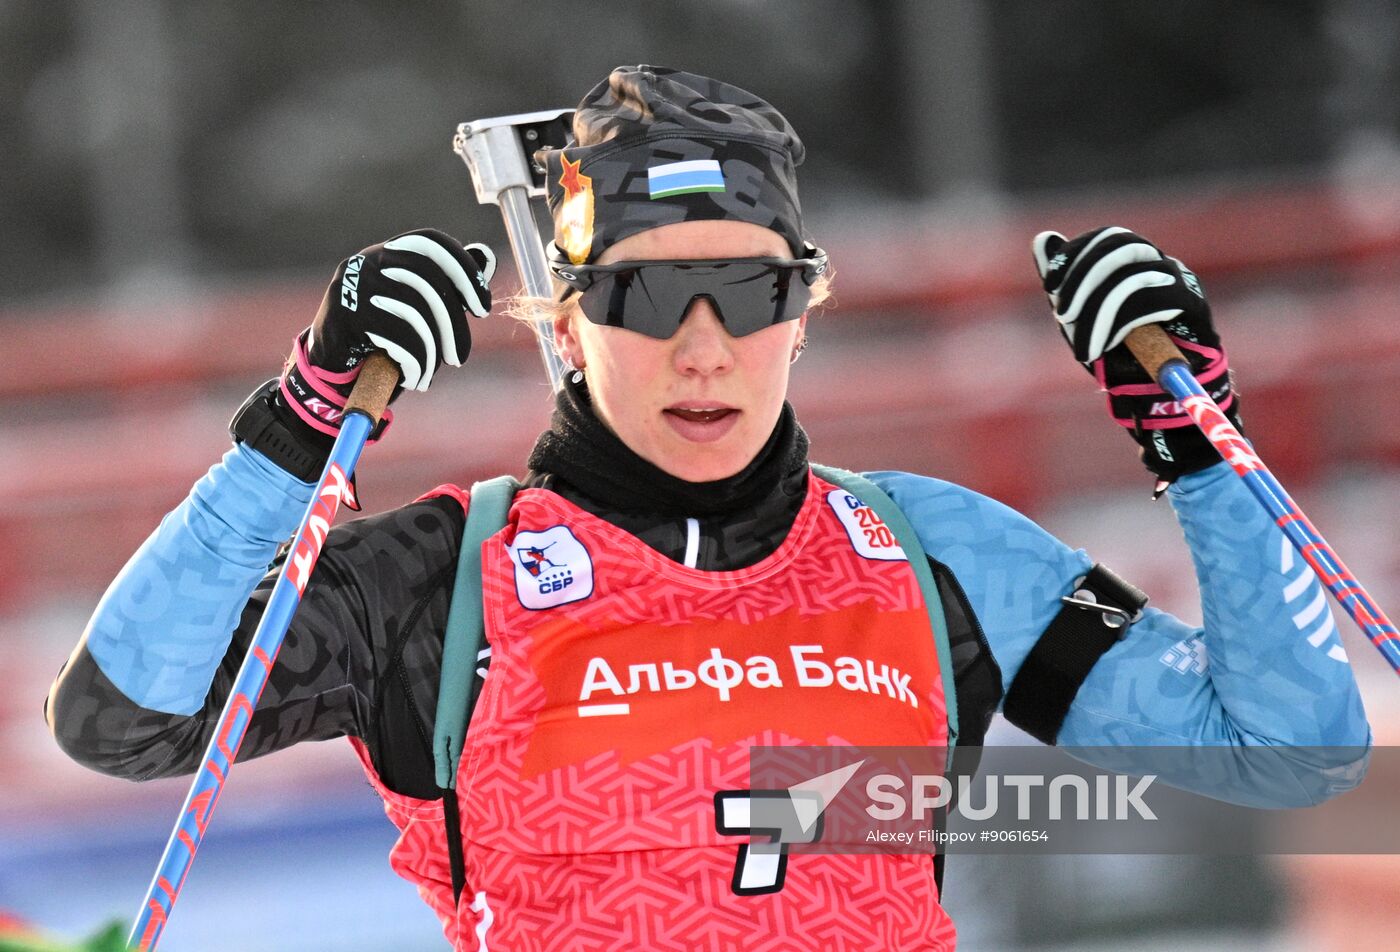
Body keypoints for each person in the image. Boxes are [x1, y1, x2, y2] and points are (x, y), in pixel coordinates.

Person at [47, 66, 1369, 951]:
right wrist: (295, 429)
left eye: (743, 292)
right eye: (639, 297)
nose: (700, 348)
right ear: (563, 318)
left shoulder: (928, 552)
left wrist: (1197, 445)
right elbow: (123, 719)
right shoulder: (446, 577)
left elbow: (1286, 748)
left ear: (803, 311)